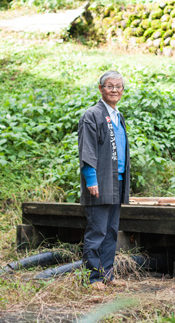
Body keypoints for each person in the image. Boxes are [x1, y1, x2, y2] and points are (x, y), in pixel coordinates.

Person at [77, 70, 131, 289]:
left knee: (111, 231)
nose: (115, 90)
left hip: (116, 181)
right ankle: (93, 278)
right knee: (97, 230)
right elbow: (87, 150)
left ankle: (107, 274)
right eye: (110, 86)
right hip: (99, 182)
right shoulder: (91, 115)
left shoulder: (118, 116)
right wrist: (91, 180)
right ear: (101, 89)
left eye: (118, 86)